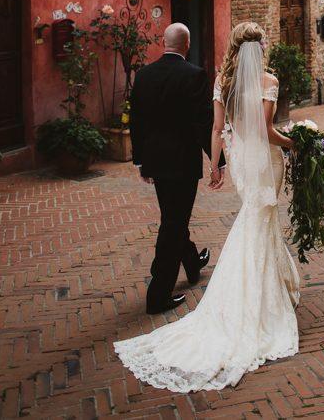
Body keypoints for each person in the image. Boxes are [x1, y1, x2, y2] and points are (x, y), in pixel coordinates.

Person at [115, 21, 300, 391]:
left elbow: (210, 127)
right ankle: (174, 290)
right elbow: (242, 129)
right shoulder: (244, 78)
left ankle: (199, 262)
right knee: (205, 220)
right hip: (231, 161)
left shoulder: (194, 78)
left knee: (188, 217)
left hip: (196, 163)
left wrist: (211, 164)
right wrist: (294, 144)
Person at [128, 22, 224, 315]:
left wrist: (141, 160)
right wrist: (217, 162)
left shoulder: (143, 75)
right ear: (188, 44)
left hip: (156, 162)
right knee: (172, 224)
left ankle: (192, 263)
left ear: (164, 42)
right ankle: (157, 296)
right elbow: (202, 123)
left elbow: (137, 121)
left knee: (172, 217)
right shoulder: (194, 75)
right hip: (182, 164)